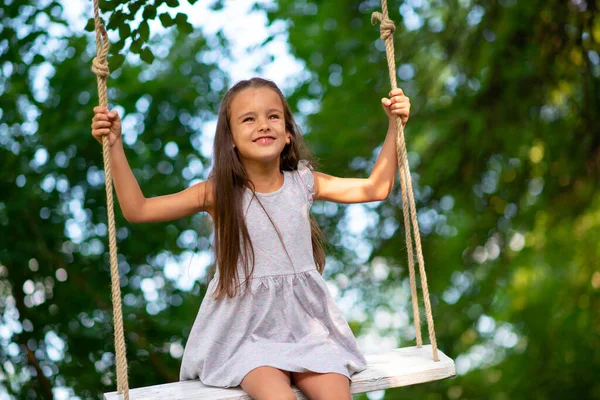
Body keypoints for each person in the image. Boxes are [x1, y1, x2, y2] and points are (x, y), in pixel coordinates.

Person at [91, 77, 410, 400]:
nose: (263, 125)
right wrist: (115, 146)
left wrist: (394, 126)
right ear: (230, 139)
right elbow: (139, 209)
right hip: (247, 337)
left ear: (287, 134)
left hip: (308, 331)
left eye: (273, 116)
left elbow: (375, 188)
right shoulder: (219, 193)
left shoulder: (304, 182)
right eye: (248, 119)